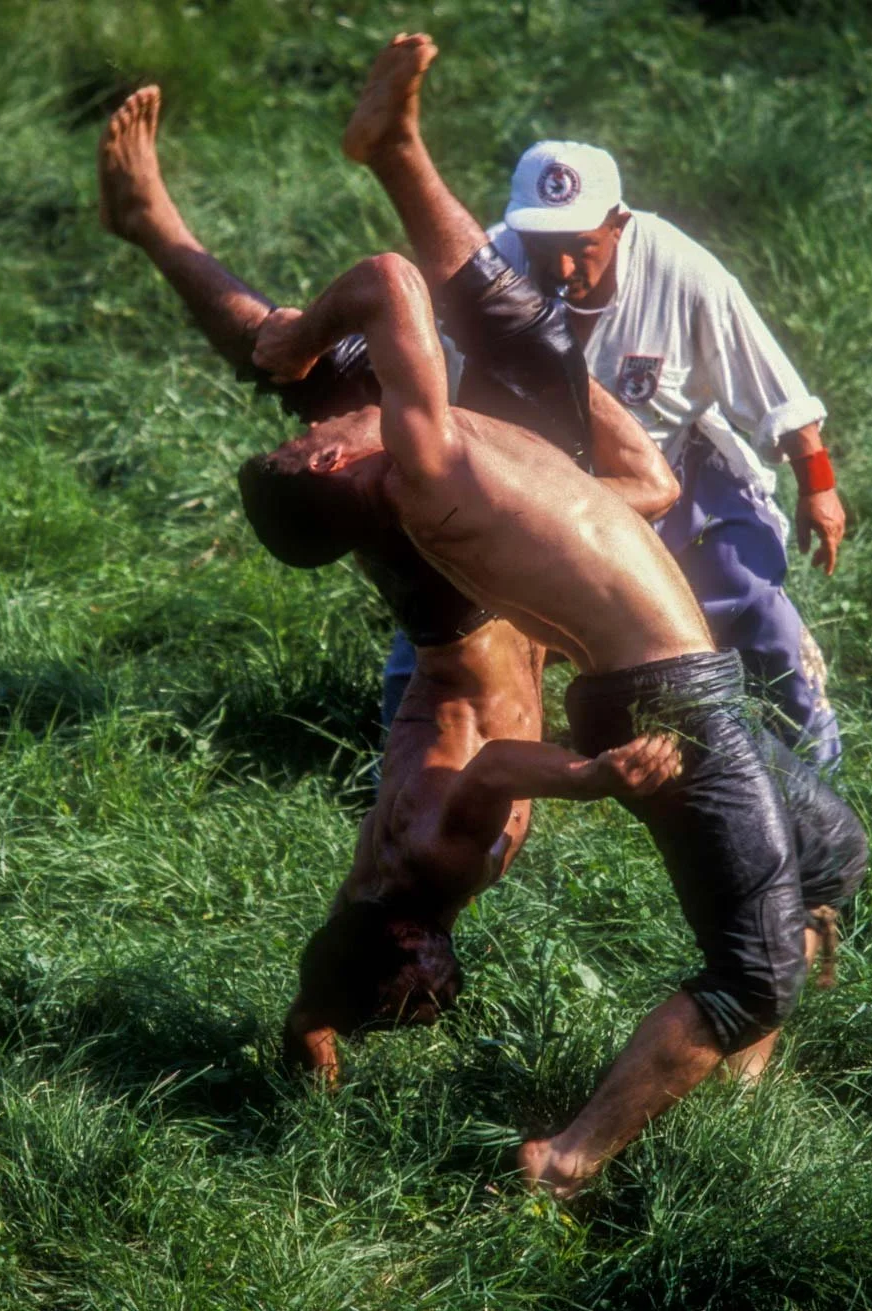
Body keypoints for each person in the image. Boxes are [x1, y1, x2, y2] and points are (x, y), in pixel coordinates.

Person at [244, 40, 867, 1194]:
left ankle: (397, 150)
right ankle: (565, 1161)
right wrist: (294, 337)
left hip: (672, 675)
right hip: (668, 690)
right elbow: (385, 279)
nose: (323, 426)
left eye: (306, 422)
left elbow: (629, 496)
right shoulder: (425, 466)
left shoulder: (460, 466)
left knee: (832, 844)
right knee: (749, 971)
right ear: (337, 462)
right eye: (316, 439)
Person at [95, 51, 680, 1079]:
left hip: (456, 602)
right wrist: (311, 1030)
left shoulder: (424, 864)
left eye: (412, 985)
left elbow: (497, 765)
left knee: (560, 413)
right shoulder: (376, 894)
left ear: (400, 942)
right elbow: (339, 956)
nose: (435, 981)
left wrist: (596, 777)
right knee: (343, 382)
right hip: (464, 611)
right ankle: (165, 228)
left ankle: (336, 178)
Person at [383, 124, 848, 773]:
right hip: (538, 490)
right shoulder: (486, 272)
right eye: (544, 248)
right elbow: (422, 386)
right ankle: (402, 766)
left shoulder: (681, 269)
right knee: (442, 618)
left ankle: (817, 756)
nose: (563, 269)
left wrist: (819, 484)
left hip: (672, 476)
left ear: (619, 223)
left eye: (581, 247)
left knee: (751, 595)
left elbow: (772, 385)